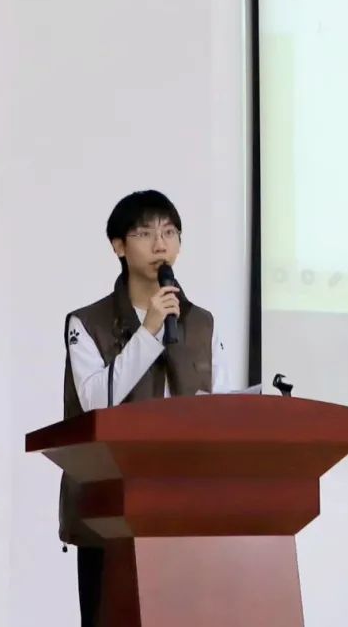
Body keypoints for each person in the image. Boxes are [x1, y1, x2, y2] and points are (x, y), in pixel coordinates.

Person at [58, 189, 229, 625]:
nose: (160, 245)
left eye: (170, 233)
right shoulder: (87, 323)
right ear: (118, 246)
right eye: (145, 234)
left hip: (187, 502)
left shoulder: (202, 323)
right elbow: (96, 403)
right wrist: (148, 332)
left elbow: (222, 408)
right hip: (110, 508)